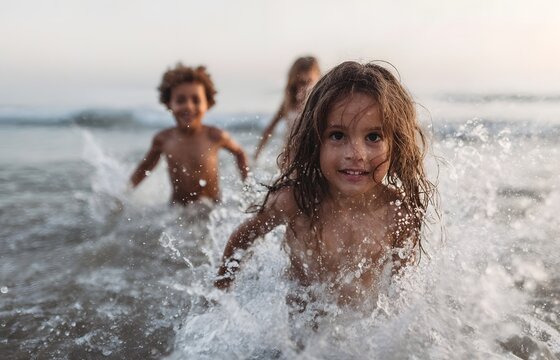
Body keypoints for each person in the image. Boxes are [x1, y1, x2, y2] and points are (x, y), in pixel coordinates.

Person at [214, 61, 437, 308]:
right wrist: (221, 293)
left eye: (373, 137)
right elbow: (244, 236)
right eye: (337, 135)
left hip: (356, 335)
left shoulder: (398, 213)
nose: (356, 153)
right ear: (315, 140)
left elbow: (401, 293)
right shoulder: (296, 200)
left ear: (396, 143)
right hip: (297, 338)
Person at [130, 63, 249, 206]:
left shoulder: (215, 136)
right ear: (169, 103)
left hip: (211, 209)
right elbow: (145, 168)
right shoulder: (163, 139)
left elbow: (239, 153)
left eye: (196, 100)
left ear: (208, 103)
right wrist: (125, 193)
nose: (189, 106)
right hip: (177, 210)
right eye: (180, 100)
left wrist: (247, 189)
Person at [253, 56, 321, 161]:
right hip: (288, 157)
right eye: (297, 83)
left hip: (310, 157)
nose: (302, 88)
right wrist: (257, 154)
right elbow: (270, 128)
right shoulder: (288, 102)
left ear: (318, 79)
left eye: (307, 82)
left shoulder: (319, 103)